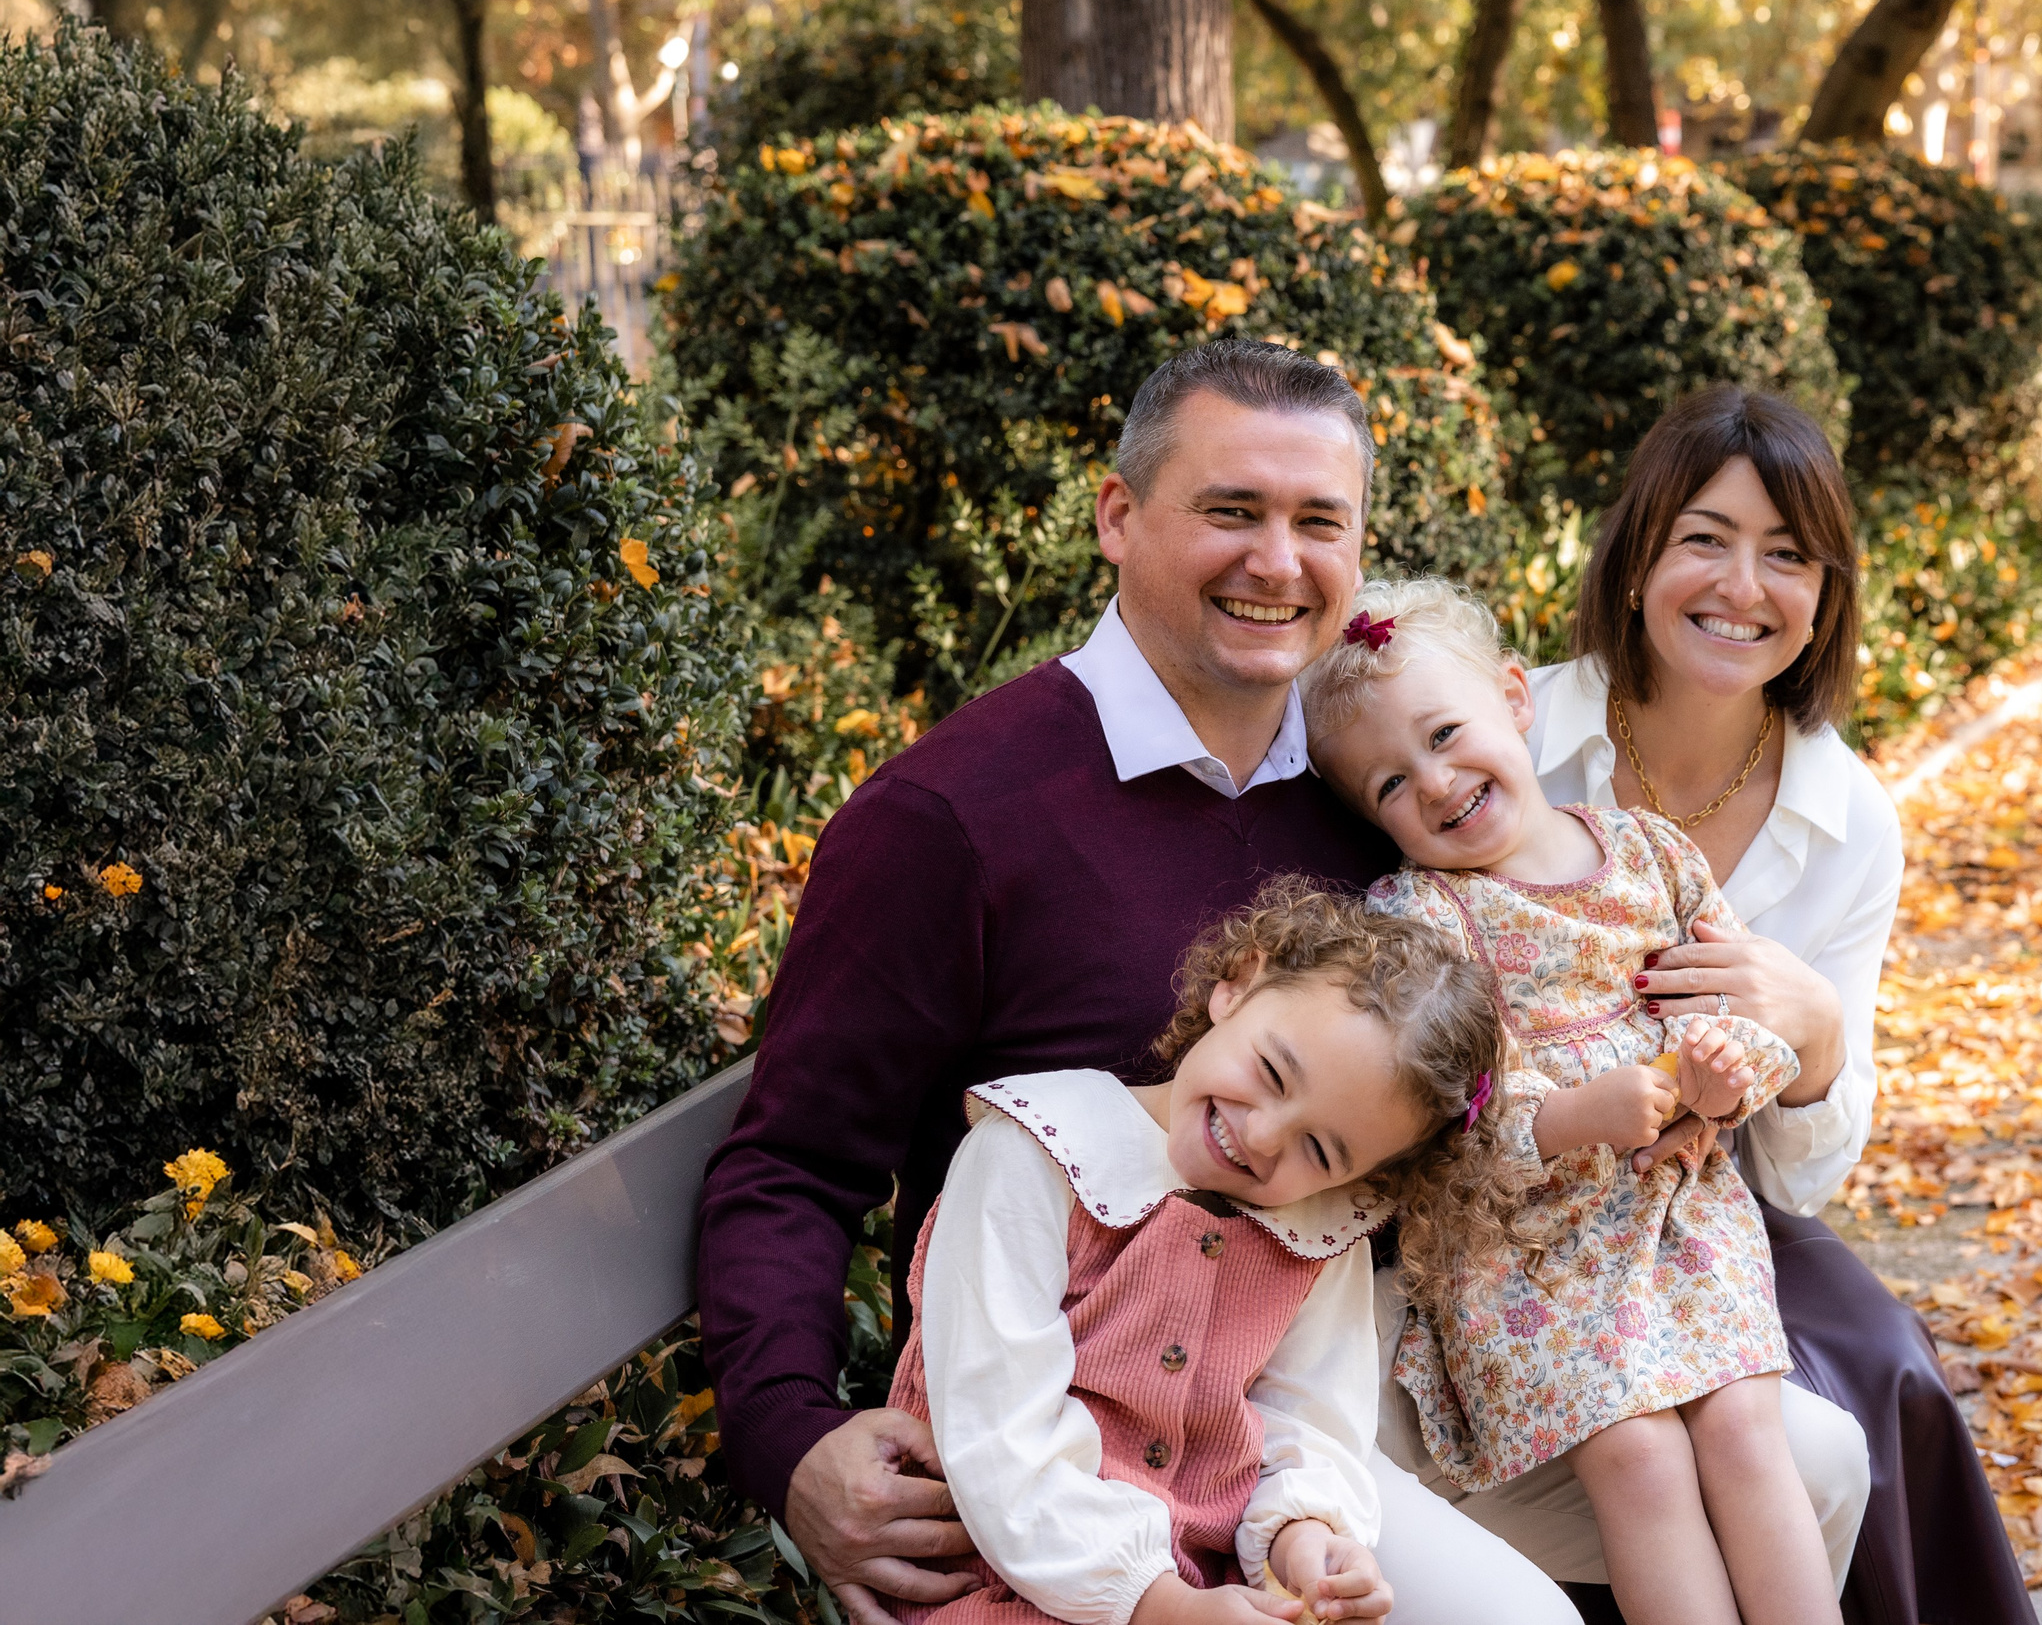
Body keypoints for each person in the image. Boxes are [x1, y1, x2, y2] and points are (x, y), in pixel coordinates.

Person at [695, 339, 1871, 1625]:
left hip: (1356, 1375)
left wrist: (1797, 1034)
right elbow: (790, 1166)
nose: (1277, 561)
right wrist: (793, 1438)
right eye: (1230, 511)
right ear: (1117, 516)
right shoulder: (953, 817)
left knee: (1813, 1456)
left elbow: (1571, 964)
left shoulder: (1381, 801)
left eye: (1320, 522)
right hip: (1100, 1398)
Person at [1514, 385, 2036, 1625]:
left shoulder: (1846, 818)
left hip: (1708, 1207)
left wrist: (1812, 1037)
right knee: (1640, 1435)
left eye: (1786, 555)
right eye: (1704, 538)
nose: (1741, 586)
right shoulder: (1511, 736)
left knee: (1886, 1372)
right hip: (1514, 1191)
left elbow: (1804, 1177)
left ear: (1826, 592)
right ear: (1638, 552)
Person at [1302, 578, 1842, 1625]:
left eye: (1447, 732)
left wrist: (1728, 1077)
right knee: (1637, 1455)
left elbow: (1747, 1007)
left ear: (1515, 697)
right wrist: (1571, 1114)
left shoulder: (1652, 855)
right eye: (1389, 784)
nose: (1437, 781)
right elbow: (1427, 1120)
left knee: (1742, 1427)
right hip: (1525, 1265)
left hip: (1678, 1223)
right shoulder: (1420, 918)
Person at [882, 882, 1525, 1625]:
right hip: (998, 1574)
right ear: (1238, 983)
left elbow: (1308, 1422)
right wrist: (1163, 1606)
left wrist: (1307, 1541)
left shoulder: (1319, 1232)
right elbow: (1001, 1440)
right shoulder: (1034, 1154)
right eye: (1273, 1072)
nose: (1262, 1135)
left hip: (1205, 1594)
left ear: (1368, 1177)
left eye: (1319, 1148)